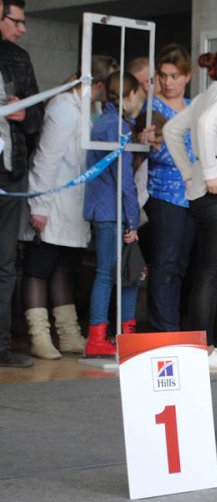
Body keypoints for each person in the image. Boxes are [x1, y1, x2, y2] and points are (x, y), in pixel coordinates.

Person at [19, 56, 116, 360]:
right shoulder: (63, 106)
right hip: (54, 202)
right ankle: (39, 335)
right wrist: (40, 205)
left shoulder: (91, 110)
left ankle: (68, 332)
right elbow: (45, 160)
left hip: (76, 207)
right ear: (97, 85)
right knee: (39, 269)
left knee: (65, 268)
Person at [163, 46, 217, 374]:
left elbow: (172, 130)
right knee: (213, 275)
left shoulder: (204, 95)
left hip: (201, 192)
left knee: (205, 275)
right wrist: (209, 171)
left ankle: (199, 346)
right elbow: (208, 125)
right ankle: (205, 348)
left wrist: (190, 171)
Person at [83, 72, 145, 356]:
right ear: (130, 95)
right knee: (117, 274)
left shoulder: (102, 122)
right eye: (140, 96)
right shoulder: (117, 127)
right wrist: (133, 220)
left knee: (109, 273)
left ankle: (103, 334)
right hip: (113, 211)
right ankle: (110, 336)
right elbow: (125, 181)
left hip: (101, 208)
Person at [0, 0, 43, 368]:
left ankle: (0, 347)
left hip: (9, 172)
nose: (22, 28)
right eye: (16, 21)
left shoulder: (20, 59)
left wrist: (25, 114)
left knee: (5, 262)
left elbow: (37, 116)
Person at [142, 44, 195, 332]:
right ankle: (164, 331)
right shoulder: (150, 106)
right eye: (163, 75)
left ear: (187, 76)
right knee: (165, 264)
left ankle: (179, 329)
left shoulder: (192, 106)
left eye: (174, 75)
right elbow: (145, 152)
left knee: (183, 265)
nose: (168, 82)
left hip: (192, 195)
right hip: (162, 192)